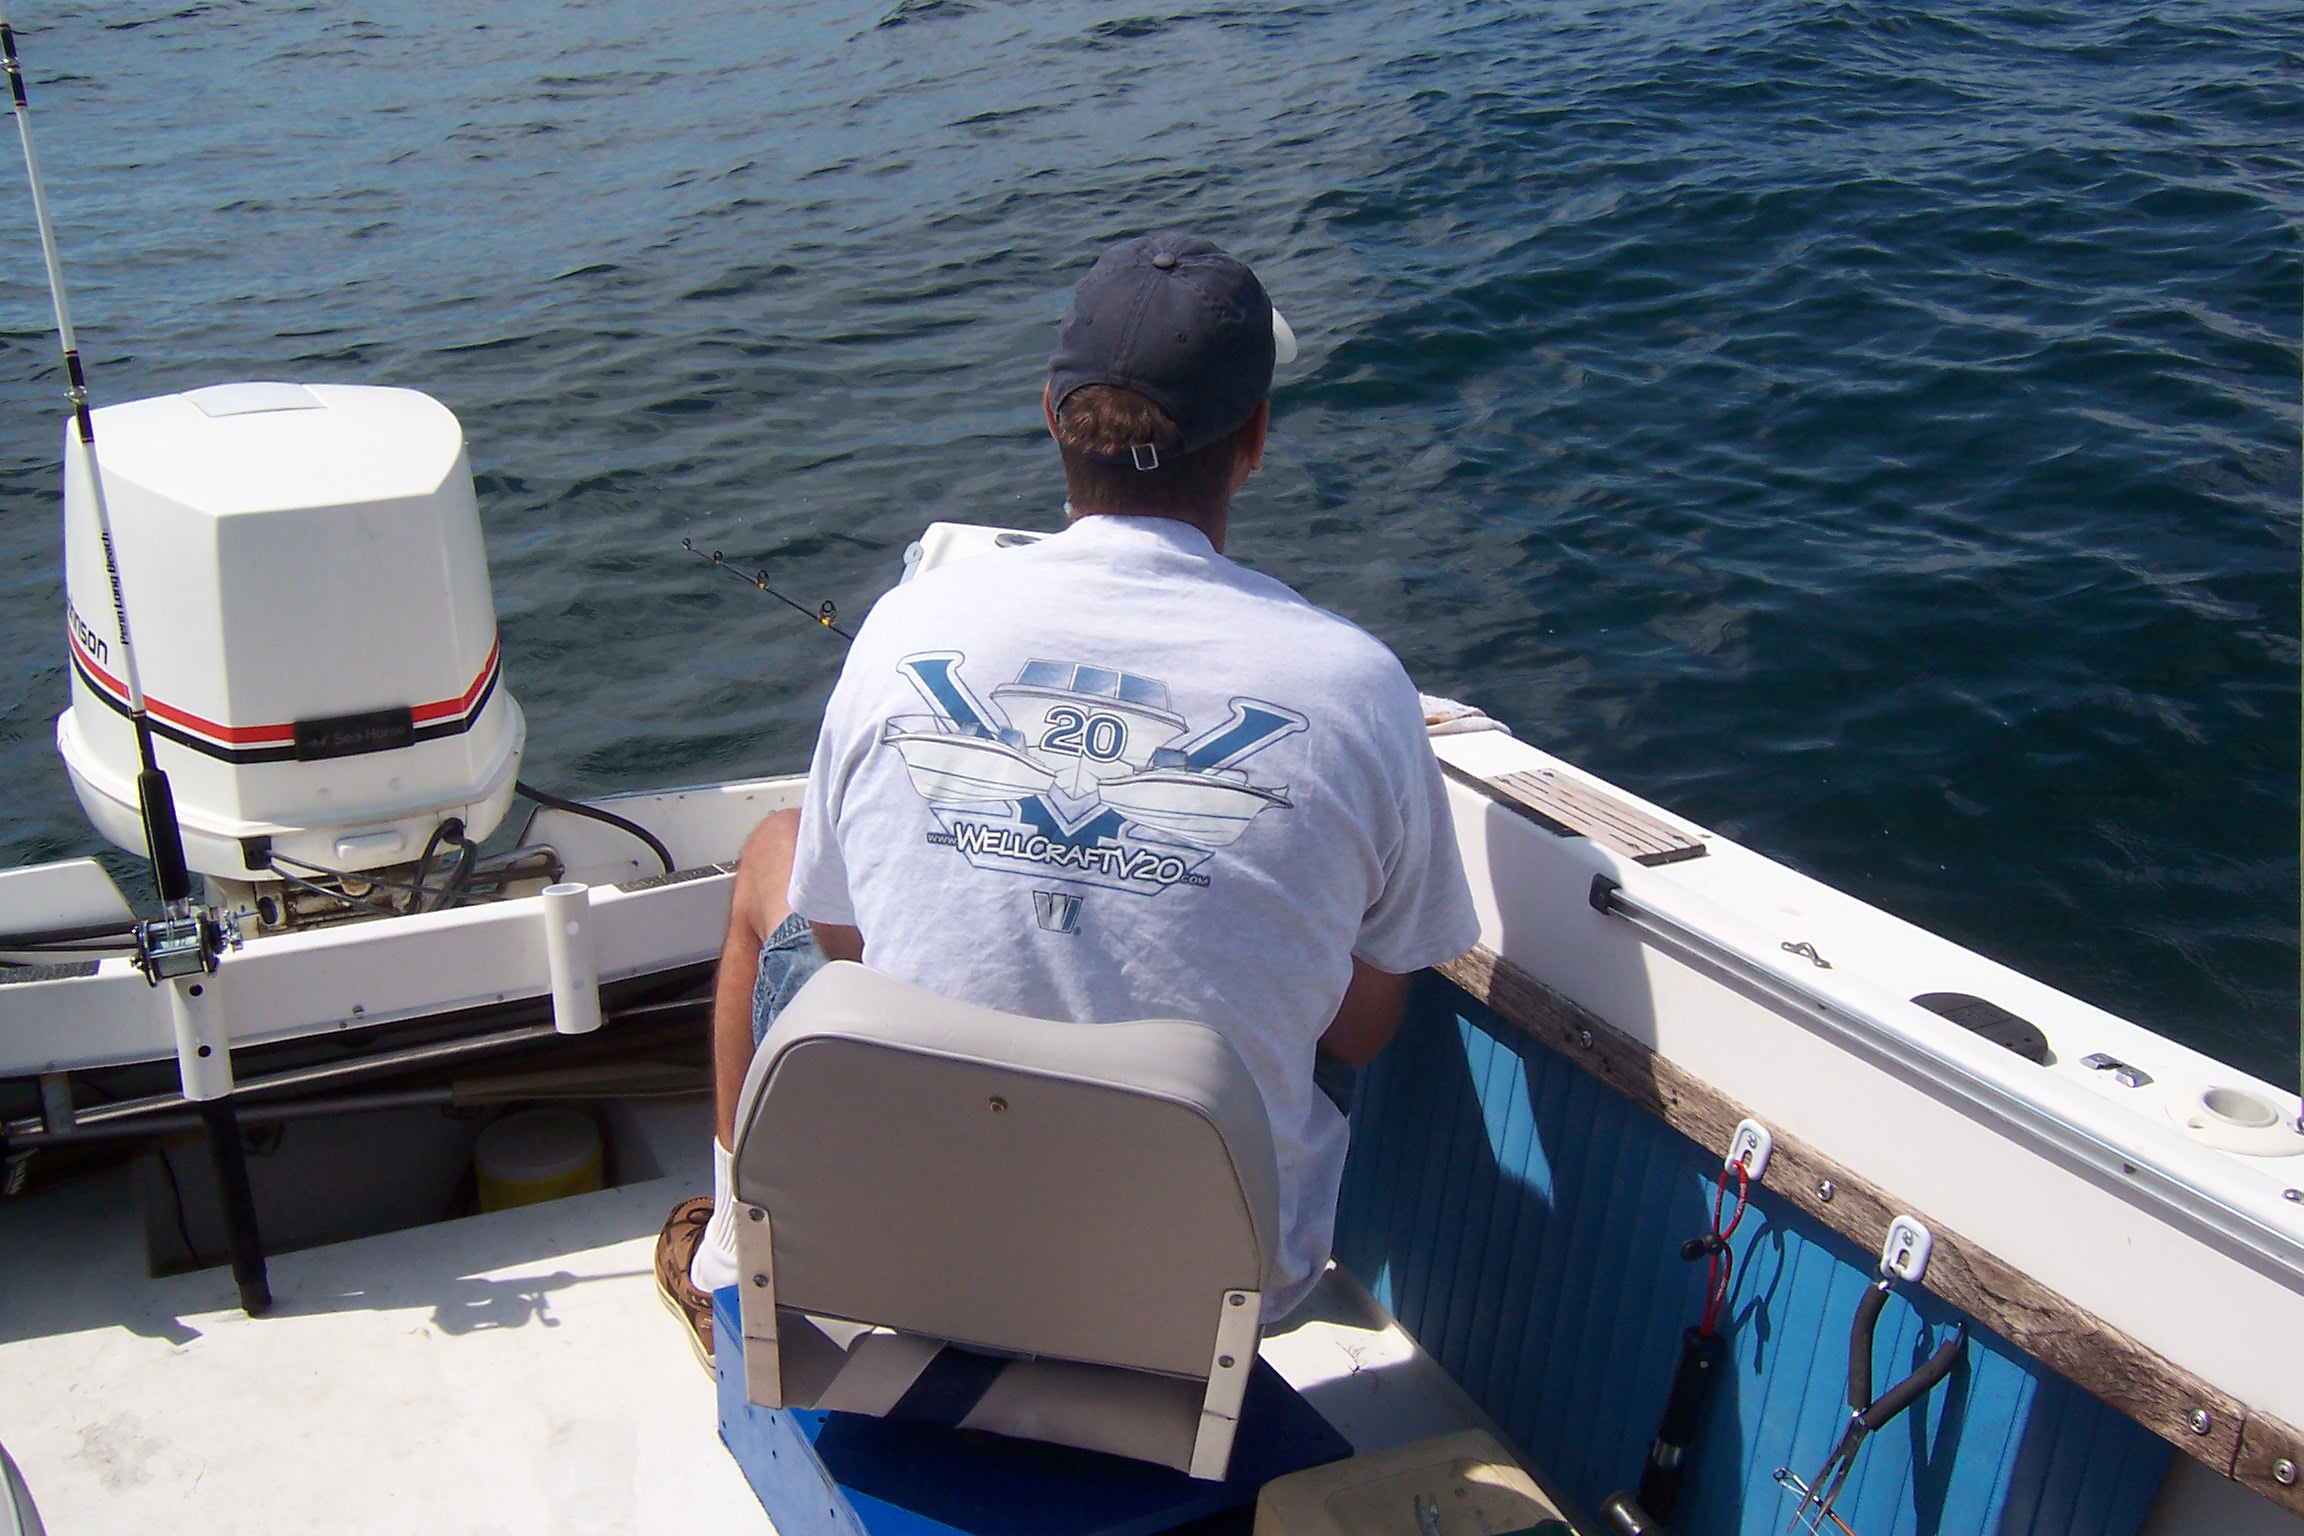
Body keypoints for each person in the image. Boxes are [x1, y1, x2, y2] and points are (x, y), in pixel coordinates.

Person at [656, 233, 1478, 1365]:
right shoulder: (1359, 687)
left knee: (772, 857)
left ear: (1053, 416)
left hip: (905, 1246)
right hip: (1219, 1286)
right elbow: (1364, 1030)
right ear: (1253, 440)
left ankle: (728, 1263)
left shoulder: (903, 629)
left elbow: (840, 942)